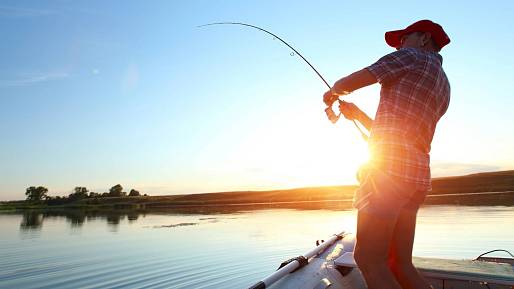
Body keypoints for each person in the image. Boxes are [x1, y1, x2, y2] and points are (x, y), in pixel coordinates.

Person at [323, 20, 451, 289]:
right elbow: (400, 133)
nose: (399, 45)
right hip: (415, 178)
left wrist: (332, 92)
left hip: (388, 176)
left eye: (404, 38)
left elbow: (347, 83)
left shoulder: (410, 56)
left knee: (369, 260)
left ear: (424, 38)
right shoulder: (444, 83)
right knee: (400, 264)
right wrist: (357, 115)